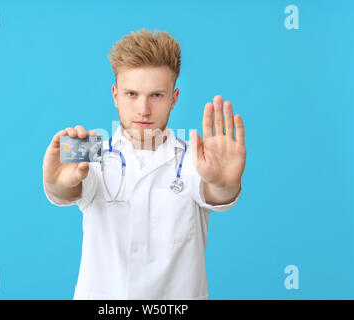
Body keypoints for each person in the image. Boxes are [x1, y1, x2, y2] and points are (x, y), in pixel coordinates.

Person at [42, 29, 246, 300]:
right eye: (132, 94)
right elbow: (69, 188)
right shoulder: (92, 152)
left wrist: (224, 183)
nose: (143, 109)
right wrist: (56, 183)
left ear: (174, 98)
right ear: (115, 95)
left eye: (156, 96)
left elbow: (215, 193)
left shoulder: (195, 158)